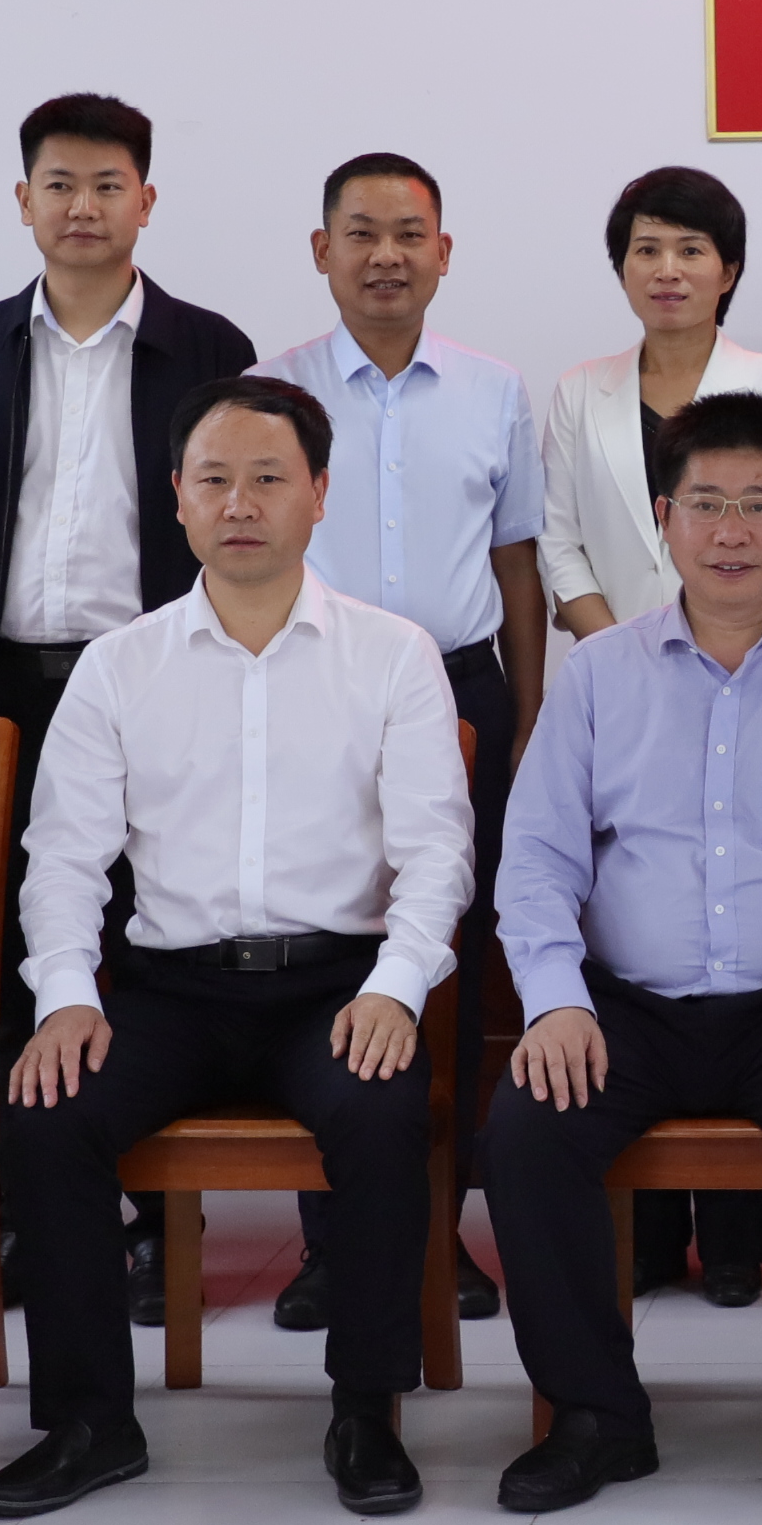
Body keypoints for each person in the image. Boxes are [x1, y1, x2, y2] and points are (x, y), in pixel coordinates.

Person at [0, 377, 476, 1523]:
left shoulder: (392, 654)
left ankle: (365, 1409)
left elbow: (436, 853)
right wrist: (65, 995)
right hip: (171, 989)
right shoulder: (120, 663)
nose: (239, 502)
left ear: (318, 493)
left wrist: (398, 987)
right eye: (214, 479)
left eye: (267, 477)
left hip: (337, 983)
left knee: (381, 1108)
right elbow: (62, 859)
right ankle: (89, 1420)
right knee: (49, 1108)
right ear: (177, 497)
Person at [488, 393, 762, 1523]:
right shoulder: (598, 674)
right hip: (624, 1009)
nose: (731, 531)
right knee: (527, 1127)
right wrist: (552, 1000)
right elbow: (535, 857)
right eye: (705, 504)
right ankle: (594, 1416)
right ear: (663, 518)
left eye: (759, 504)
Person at [0, 92, 255, 1328]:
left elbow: (239, 525)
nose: (83, 205)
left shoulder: (207, 345)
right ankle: (7, 1216)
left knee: (150, 940)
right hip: (2, 685)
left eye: (108, 184)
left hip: (157, 681)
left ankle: (159, 1227)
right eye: (58, 183)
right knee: (4, 947)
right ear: (21, 201)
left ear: (145, 200)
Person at [259, 150, 544, 1334]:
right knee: (328, 945)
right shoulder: (269, 389)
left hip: (462, 690)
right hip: (309, 689)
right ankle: (331, 1240)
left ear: (443, 251)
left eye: (408, 233)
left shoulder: (494, 390)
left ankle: (438, 1229)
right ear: (320, 249)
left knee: (453, 959)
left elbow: (516, 563)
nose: (386, 255)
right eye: (361, 232)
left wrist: (526, 719)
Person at [535, 165, 762, 1303]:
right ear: (621, 267)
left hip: (755, 673)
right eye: (647, 249)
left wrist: (715, 635)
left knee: (738, 905)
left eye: (692, 249)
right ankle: (649, 1235)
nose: (668, 269)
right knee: (641, 921)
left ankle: (737, 1241)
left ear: (728, 269)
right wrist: (633, 650)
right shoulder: (579, 391)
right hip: (620, 683)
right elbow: (560, 541)